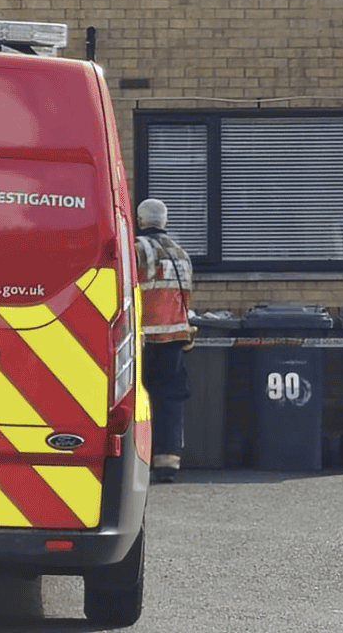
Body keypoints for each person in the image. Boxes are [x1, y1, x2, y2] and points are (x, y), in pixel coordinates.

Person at [134, 197, 193, 483]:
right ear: (164, 221)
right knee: (169, 400)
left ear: (141, 220)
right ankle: (167, 463)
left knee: (135, 399)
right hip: (174, 338)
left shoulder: (137, 249)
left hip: (142, 340)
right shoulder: (181, 254)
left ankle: (136, 461)